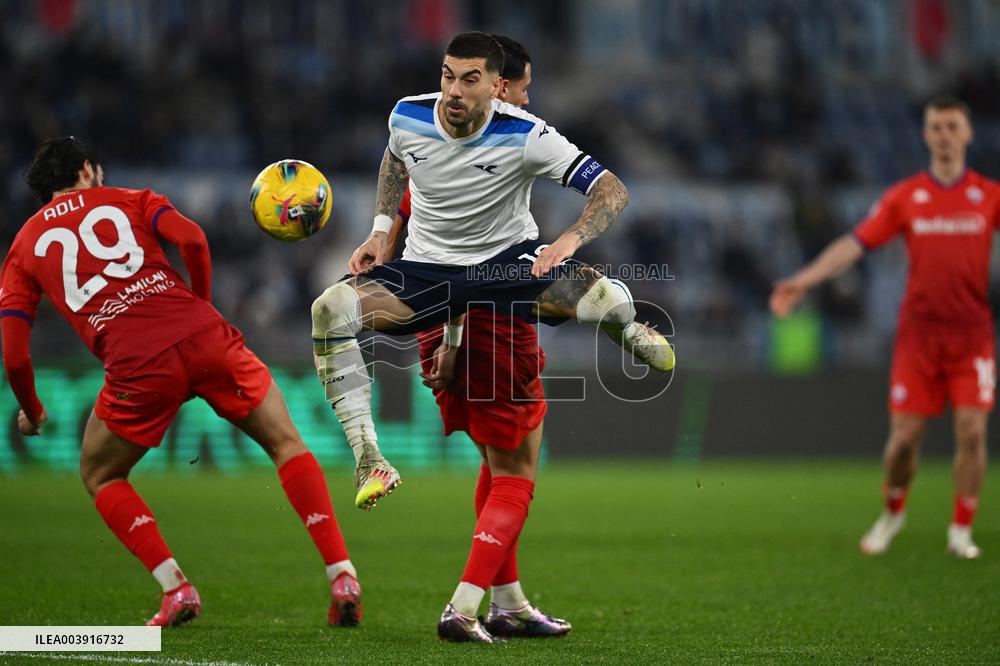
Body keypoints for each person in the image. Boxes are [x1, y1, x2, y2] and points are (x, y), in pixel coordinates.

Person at [310, 31, 674, 641]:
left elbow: (611, 189)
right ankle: (369, 460)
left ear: (496, 86)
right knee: (330, 310)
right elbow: (397, 157)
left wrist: (567, 241)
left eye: (469, 79)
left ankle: (625, 325)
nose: (454, 90)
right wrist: (380, 230)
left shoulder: (525, 133)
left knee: (604, 294)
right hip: (430, 276)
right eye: (448, 75)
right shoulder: (408, 113)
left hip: (506, 267)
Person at [1, 137, 362, 627]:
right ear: (87, 169)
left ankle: (177, 588)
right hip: (206, 336)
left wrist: (34, 409)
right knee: (286, 444)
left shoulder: (23, 248)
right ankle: (342, 573)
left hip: (138, 364)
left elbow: (15, 353)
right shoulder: (131, 199)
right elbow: (192, 238)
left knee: (100, 474)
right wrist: (203, 308)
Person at [384, 34, 570, 642]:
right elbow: (468, 262)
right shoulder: (514, 136)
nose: (525, 99)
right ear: (502, 86)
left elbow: (441, 244)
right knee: (518, 463)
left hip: (445, 316)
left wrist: (449, 342)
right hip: (492, 316)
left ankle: (509, 602)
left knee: (496, 460)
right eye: (521, 87)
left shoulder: (433, 147)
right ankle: (463, 606)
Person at [770, 97, 999, 559]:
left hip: (972, 335)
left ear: (968, 134)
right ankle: (893, 513)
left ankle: (961, 529)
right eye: (936, 127)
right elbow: (855, 245)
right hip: (918, 337)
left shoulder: (989, 196)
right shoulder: (905, 197)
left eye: (953, 126)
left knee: (973, 432)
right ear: (926, 134)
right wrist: (803, 280)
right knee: (902, 444)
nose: (945, 135)